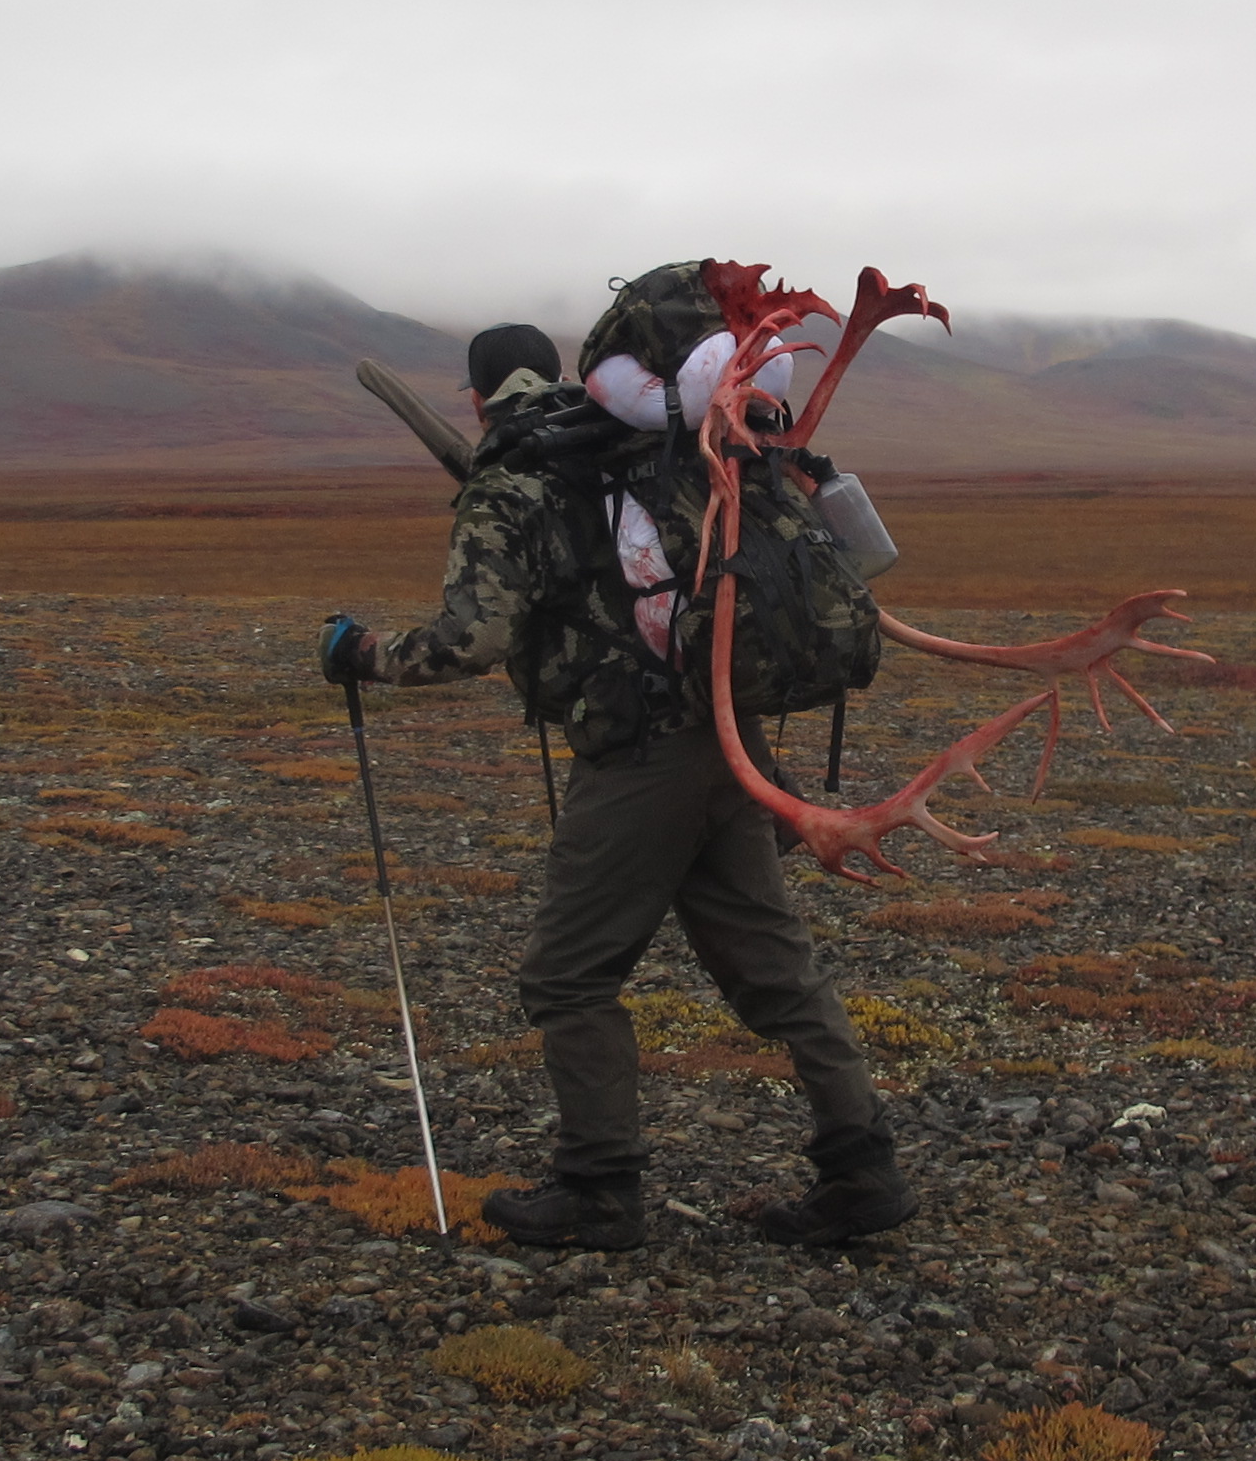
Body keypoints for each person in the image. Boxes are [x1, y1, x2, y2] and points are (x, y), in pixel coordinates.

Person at [318, 278, 913, 1253]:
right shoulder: (649, 450)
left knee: (568, 978)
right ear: (558, 376)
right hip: (729, 741)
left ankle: (598, 1190)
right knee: (778, 973)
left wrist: (365, 654)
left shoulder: (517, 472)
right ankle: (865, 1169)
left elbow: (470, 641)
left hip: (640, 755)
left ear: (475, 399)